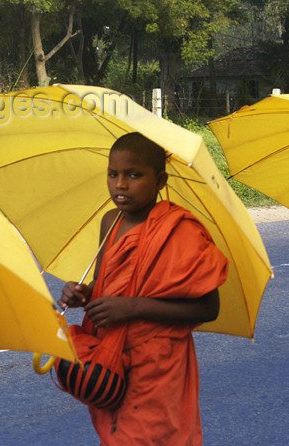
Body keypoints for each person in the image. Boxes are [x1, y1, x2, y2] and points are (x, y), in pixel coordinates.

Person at [59, 132, 229, 445]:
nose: (120, 185)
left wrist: (133, 307)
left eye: (134, 175)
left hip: (159, 365)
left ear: (161, 180)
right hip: (113, 356)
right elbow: (106, 283)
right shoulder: (110, 221)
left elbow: (209, 308)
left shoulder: (179, 230)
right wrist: (83, 293)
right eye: (113, 174)